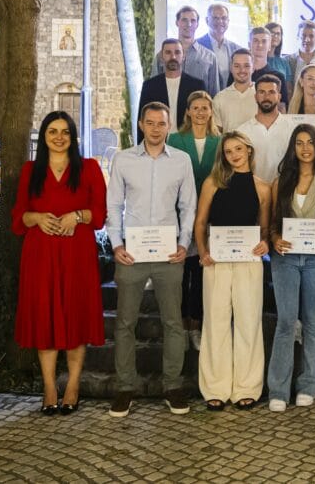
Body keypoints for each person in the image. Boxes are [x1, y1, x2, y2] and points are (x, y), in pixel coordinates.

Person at [11, 111, 107, 417]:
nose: (59, 137)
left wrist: (76, 215)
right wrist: (37, 218)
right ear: (44, 136)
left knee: (75, 315)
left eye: (65, 131)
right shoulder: (30, 171)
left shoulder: (89, 168)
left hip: (77, 253)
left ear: (73, 136)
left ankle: (73, 386)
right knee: (45, 317)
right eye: (52, 131)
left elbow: (100, 214)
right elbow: (18, 218)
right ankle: (49, 386)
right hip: (40, 254)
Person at [106, 102, 198, 418]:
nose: (156, 128)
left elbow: (189, 207)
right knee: (124, 323)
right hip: (130, 253)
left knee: (173, 322)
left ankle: (172, 386)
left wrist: (185, 243)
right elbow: (113, 205)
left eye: (162, 123)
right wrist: (116, 245)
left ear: (169, 126)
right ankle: (124, 388)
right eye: (151, 123)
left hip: (168, 253)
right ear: (142, 125)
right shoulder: (123, 160)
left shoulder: (181, 161)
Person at [194, 131, 272, 410]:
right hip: (216, 261)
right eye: (228, 151)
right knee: (215, 323)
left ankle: (247, 386)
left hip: (249, 262)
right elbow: (200, 222)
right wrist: (202, 252)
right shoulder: (213, 183)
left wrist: (265, 243)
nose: (234, 155)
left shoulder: (263, 187)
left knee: (249, 323)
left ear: (249, 150)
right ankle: (215, 386)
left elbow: (264, 228)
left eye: (238, 149)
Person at [267, 126, 315, 412]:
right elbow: (273, 223)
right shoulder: (280, 182)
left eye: (310, 142)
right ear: (293, 147)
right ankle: (278, 388)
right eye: (299, 143)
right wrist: (274, 238)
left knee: (312, 322)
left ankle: (309, 383)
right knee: (286, 322)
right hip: (285, 257)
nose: (305, 148)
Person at [167, 91, 221, 352]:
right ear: (187, 111)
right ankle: (181, 325)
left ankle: (196, 326)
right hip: (180, 215)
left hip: (210, 215)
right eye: (195, 107)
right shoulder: (175, 139)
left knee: (200, 273)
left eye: (205, 107)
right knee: (181, 274)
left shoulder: (219, 141)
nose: (200, 112)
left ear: (211, 111)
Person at [138, 39, 206, 142]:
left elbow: (204, 118)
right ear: (161, 57)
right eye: (168, 52)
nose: (173, 57)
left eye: (177, 52)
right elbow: (142, 119)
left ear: (183, 56)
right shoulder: (150, 85)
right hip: (158, 141)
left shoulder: (197, 85)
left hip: (188, 142)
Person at [236, 74, 295, 183]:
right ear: (255, 96)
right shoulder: (242, 132)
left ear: (279, 96)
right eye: (262, 92)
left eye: (272, 92)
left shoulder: (293, 129)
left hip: (284, 192)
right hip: (252, 192)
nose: (266, 97)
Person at [174, 6, 221, 97]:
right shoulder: (163, 56)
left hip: (199, 110)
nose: (189, 24)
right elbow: (154, 87)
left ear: (197, 24)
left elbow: (214, 94)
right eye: (184, 20)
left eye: (193, 20)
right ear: (177, 22)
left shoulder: (210, 57)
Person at [242, 26, 289, 106]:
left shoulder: (278, 76)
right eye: (255, 41)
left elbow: (282, 108)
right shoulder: (239, 74)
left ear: (270, 46)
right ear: (249, 44)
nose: (260, 45)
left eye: (264, 41)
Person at [197, 3, 240, 90]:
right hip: (205, 99)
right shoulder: (197, 46)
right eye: (215, 18)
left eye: (224, 18)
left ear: (228, 21)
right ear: (207, 20)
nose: (220, 21)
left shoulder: (237, 49)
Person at [212, 49, 257, 132]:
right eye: (237, 66)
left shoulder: (261, 95)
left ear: (253, 68)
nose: (242, 70)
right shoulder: (220, 98)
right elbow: (217, 133)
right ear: (231, 68)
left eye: (246, 66)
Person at [264, 21, 293, 86]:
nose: (275, 36)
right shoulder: (257, 59)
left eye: (278, 34)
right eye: (272, 33)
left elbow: (288, 88)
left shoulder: (284, 62)